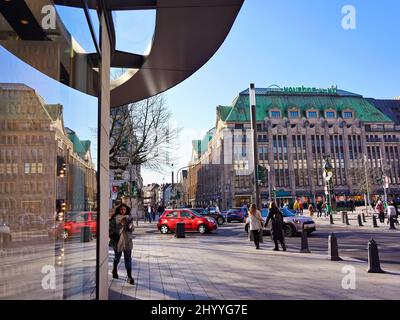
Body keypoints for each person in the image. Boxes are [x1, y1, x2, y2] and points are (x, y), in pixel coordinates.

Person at [109, 204, 135, 285]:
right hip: (117, 242)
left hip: (127, 242)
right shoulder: (114, 219)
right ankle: (114, 269)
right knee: (117, 258)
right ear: (118, 210)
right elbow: (110, 230)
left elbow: (132, 230)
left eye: (124, 209)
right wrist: (121, 224)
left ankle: (129, 276)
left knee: (128, 259)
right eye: (121, 209)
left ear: (126, 210)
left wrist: (131, 226)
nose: (122, 211)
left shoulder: (129, 218)